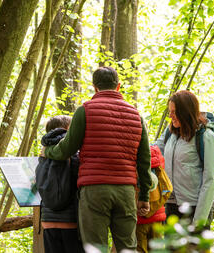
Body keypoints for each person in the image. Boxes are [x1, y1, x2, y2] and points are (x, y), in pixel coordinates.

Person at [41, 66, 152, 252]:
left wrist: (48, 151)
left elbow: (66, 149)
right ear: (118, 86)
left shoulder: (85, 111)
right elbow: (144, 160)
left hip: (94, 191)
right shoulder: (136, 116)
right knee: (128, 248)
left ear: (94, 87)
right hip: (125, 190)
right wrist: (144, 196)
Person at [154, 90, 214, 225]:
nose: (171, 116)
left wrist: (199, 221)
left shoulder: (207, 137)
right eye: (170, 112)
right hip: (171, 205)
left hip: (194, 208)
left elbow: (211, 179)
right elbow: (153, 150)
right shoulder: (171, 133)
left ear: (186, 111)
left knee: (193, 247)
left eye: (174, 112)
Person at [36, 115, 84, 253]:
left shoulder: (43, 153)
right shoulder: (74, 152)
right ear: (68, 129)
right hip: (71, 221)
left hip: (48, 221)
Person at [136, 145, 172, 253]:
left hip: (139, 220)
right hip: (156, 220)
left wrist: (139, 209)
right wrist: (153, 208)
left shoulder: (134, 166)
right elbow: (168, 189)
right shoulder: (158, 167)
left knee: (140, 249)